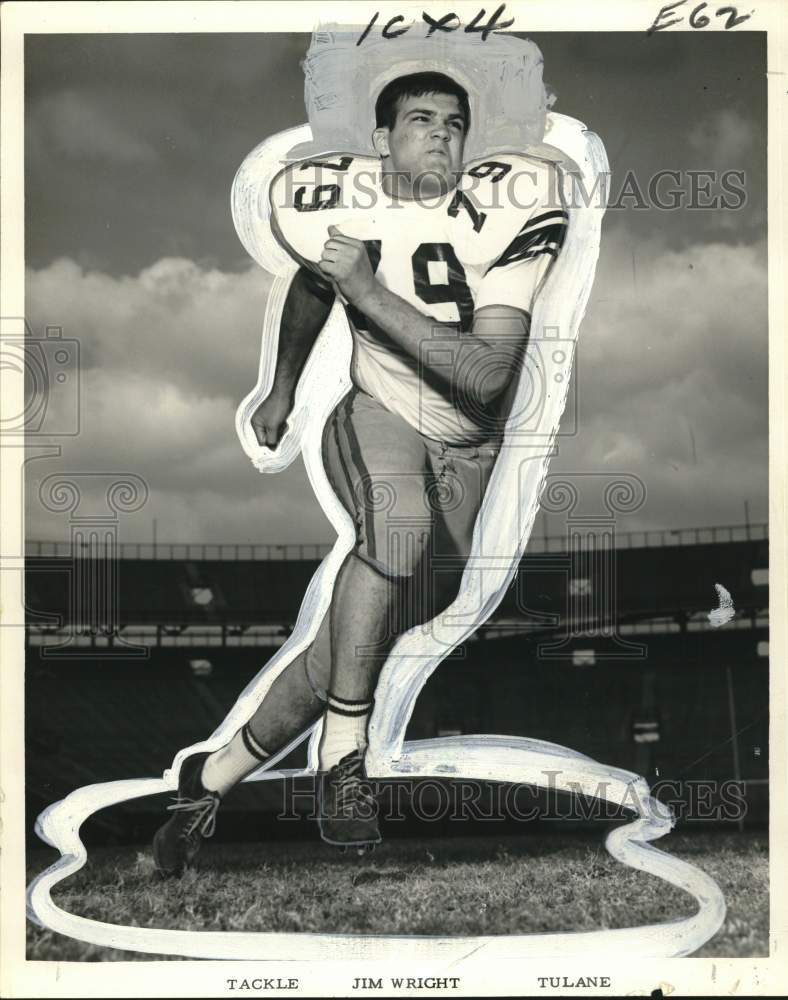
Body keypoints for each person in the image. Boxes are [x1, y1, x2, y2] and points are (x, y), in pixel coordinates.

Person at [153, 71, 567, 875]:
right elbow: (316, 280)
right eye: (419, 120)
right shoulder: (347, 201)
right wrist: (280, 383)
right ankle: (344, 757)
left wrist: (365, 288)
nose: (441, 135)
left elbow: (487, 378)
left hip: (470, 442)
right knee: (397, 530)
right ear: (382, 140)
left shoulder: (509, 208)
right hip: (377, 411)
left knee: (363, 633)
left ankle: (211, 775)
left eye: (454, 121)